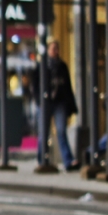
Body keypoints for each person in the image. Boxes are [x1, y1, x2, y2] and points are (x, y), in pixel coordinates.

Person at [28, 40, 79, 170]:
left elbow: (67, 87)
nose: (55, 51)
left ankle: (68, 161)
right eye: (53, 48)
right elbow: (34, 85)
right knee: (44, 132)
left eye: (57, 48)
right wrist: (39, 100)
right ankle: (41, 159)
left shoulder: (62, 66)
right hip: (45, 103)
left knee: (61, 131)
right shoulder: (42, 66)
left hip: (59, 102)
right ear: (48, 50)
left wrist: (71, 105)